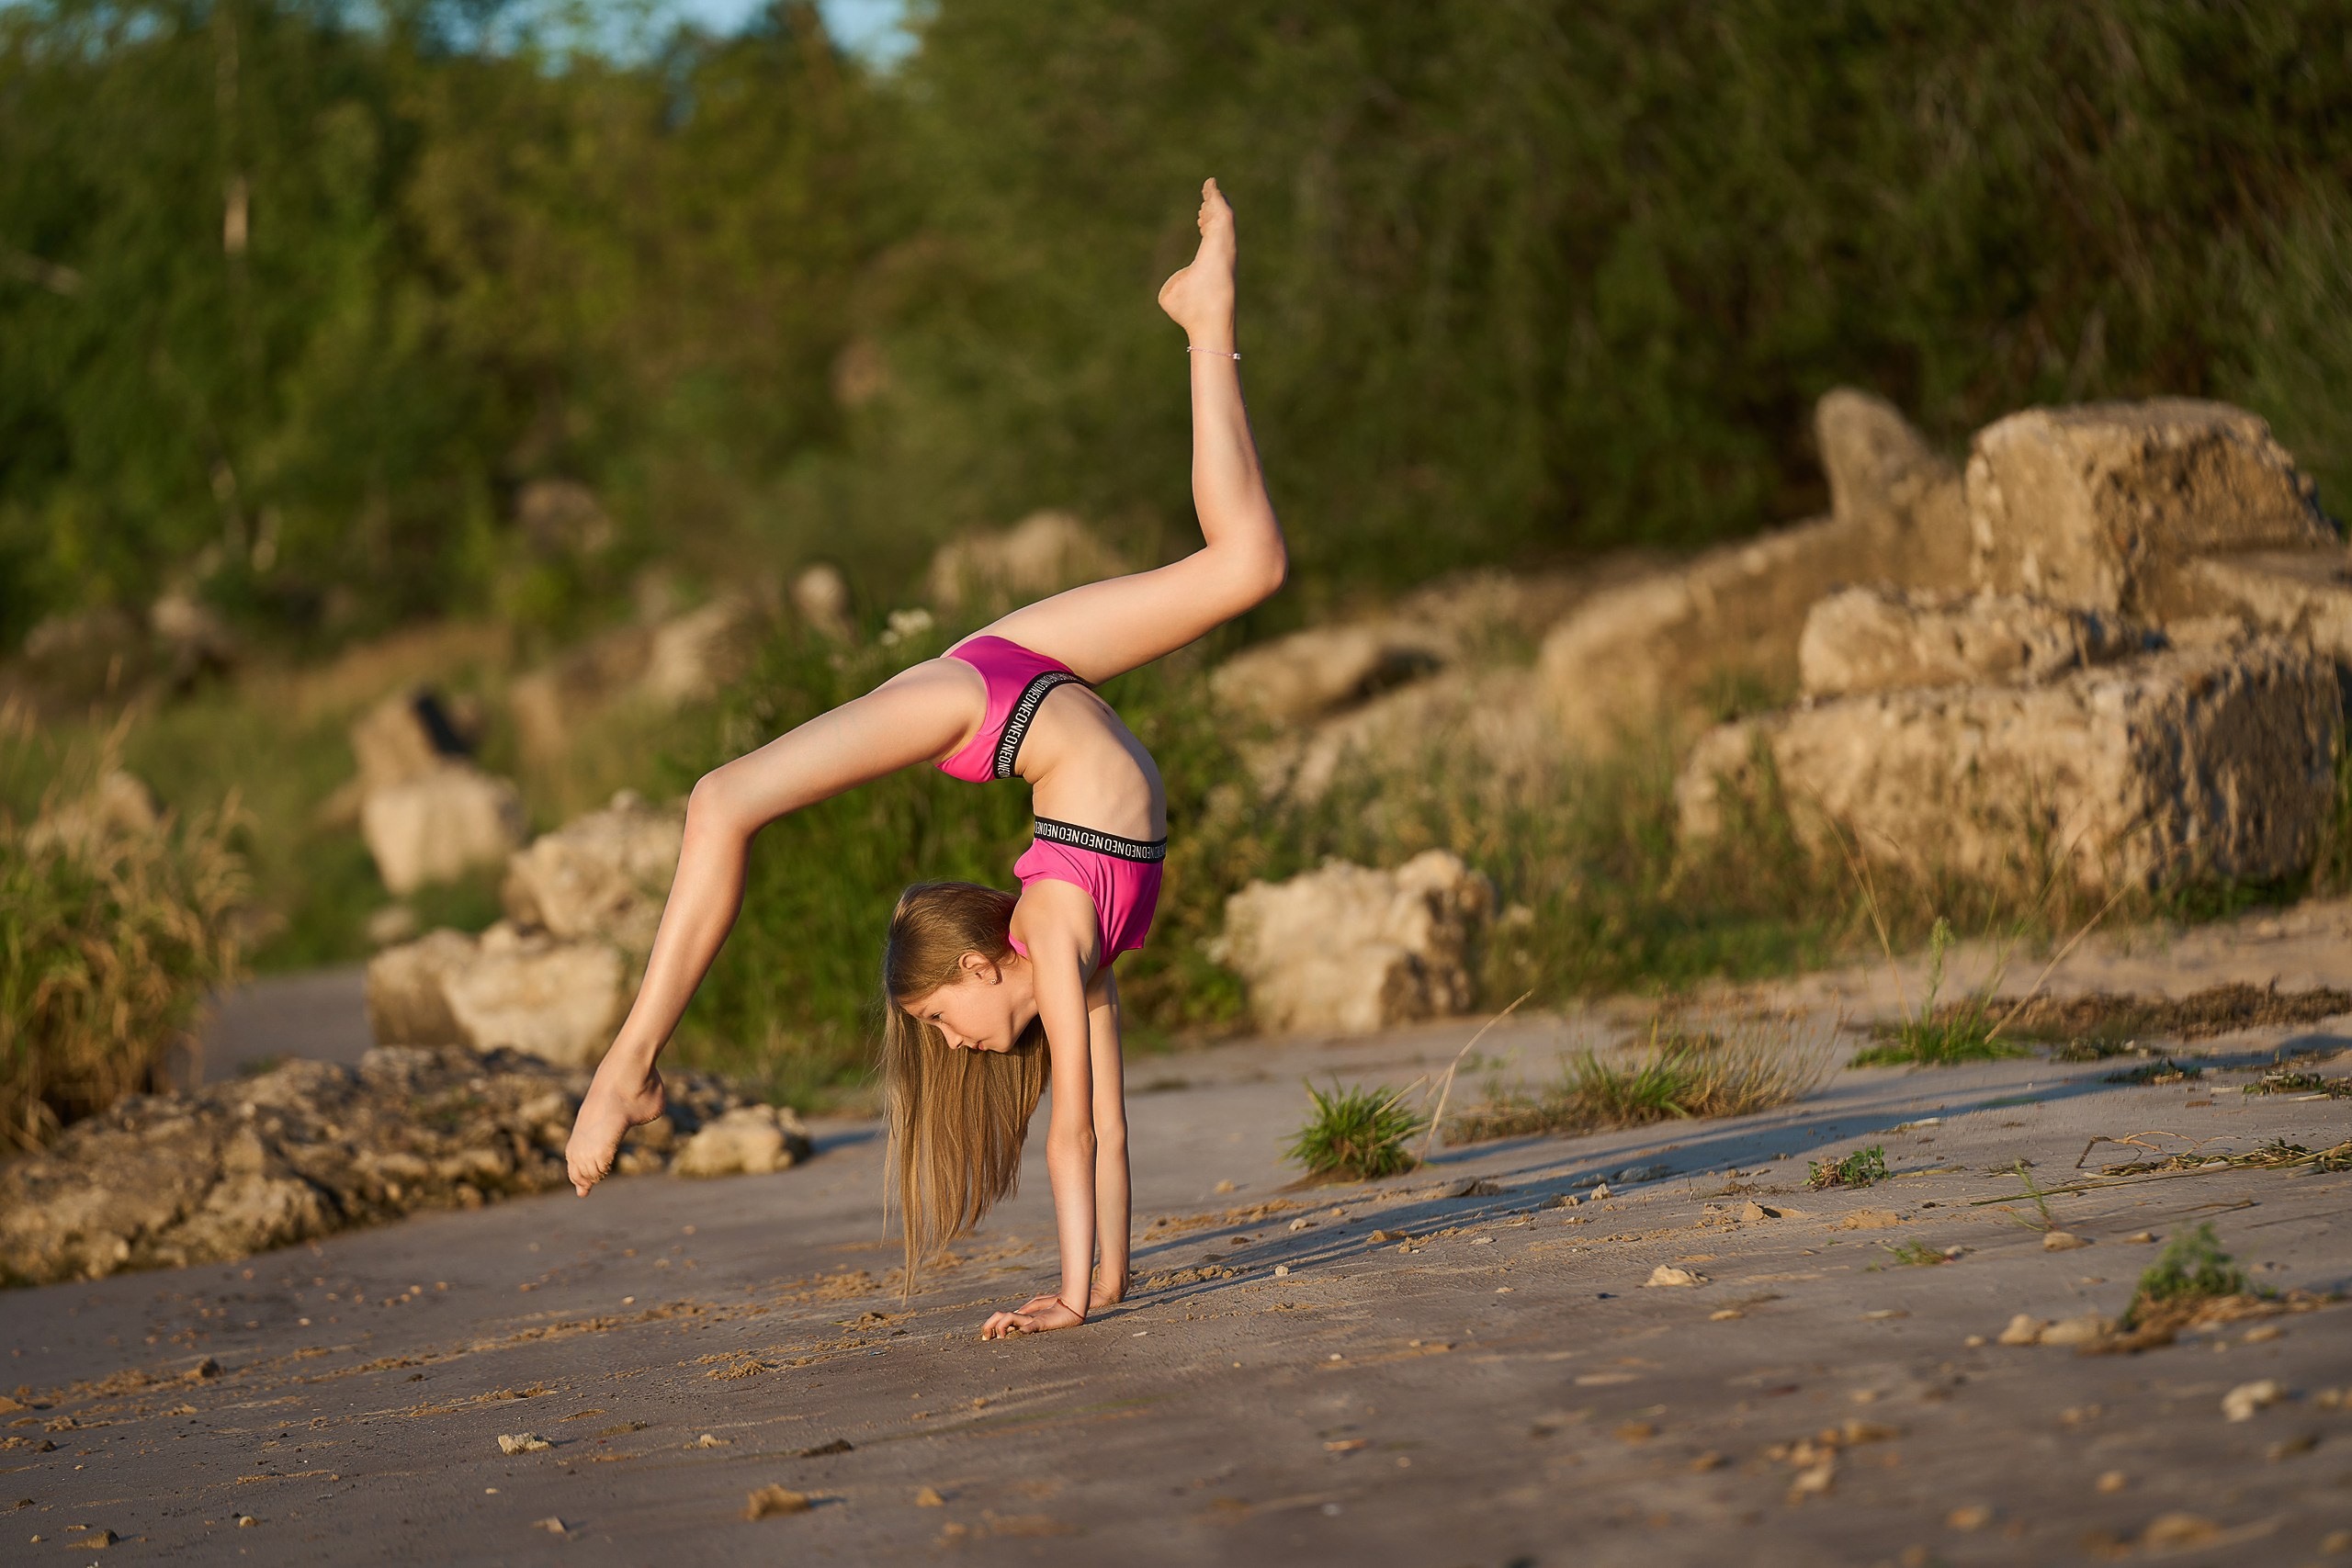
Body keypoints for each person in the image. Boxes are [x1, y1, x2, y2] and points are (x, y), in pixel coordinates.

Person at [564, 178, 1285, 1339]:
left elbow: (1074, 1131)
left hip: (980, 702)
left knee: (723, 799)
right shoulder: (1074, 944)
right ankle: (1205, 322)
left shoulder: (1051, 928)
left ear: (981, 967)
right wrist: (1096, 1289)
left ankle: (626, 1063)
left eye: (940, 1022)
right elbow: (1098, 1116)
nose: (949, 1046)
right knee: (1247, 563)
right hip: (1028, 680)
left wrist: (1069, 1291)